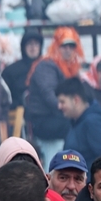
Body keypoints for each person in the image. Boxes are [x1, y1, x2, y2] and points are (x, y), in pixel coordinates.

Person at [25, 27, 83, 162]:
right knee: (80, 125)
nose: (68, 50)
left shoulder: (71, 68)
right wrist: (74, 112)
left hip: (60, 117)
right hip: (44, 120)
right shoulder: (46, 65)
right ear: (56, 46)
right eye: (64, 46)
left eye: (71, 46)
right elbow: (49, 95)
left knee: (90, 121)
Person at [57, 77, 101, 166]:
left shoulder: (93, 122)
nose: (59, 106)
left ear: (76, 100)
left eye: (62, 102)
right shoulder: (75, 123)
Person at [2, 29, 44, 117]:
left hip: (43, 114)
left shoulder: (47, 68)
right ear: (23, 47)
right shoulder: (11, 70)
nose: (33, 47)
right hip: (19, 114)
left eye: (36, 44)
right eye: (29, 44)